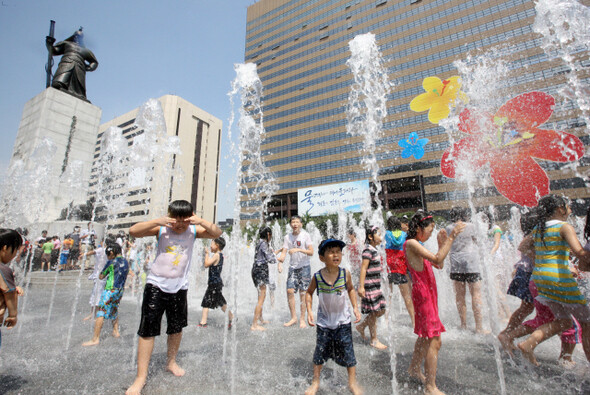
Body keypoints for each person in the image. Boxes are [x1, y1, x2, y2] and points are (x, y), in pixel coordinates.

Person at [125, 200, 222, 395]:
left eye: (184, 221)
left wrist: (199, 221)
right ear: (170, 217)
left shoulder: (193, 231)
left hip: (179, 287)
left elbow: (217, 233)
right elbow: (133, 231)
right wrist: (159, 221)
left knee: (176, 328)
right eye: (176, 220)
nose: (179, 225)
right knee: (148, 330)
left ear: (190, 219)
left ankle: (171, 362)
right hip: (156, 285)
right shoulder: (161, 230)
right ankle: (141, 377)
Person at [517, 195, 590, 366]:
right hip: (559, 278)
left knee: (563, 321)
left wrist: (540, 260)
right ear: (560, 209)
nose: (570, 210)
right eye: (568, 206)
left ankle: (528, 344)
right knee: (587, 323)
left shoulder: (539, 228)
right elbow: (580, 253)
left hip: (540, 277)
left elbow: (522, 247)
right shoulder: (565, 227)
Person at [404, 211, 465, 395]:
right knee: (435, 340)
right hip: (423, 295)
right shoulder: (411, 243)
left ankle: (414, 369)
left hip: (428, 294)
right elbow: (438, 259)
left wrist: (441, 244)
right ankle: (430, 387)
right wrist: (452, 237)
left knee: (425, 336)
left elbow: (439, 264)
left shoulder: (418, 244)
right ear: (418, 228)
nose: (431, 233)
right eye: (429, 230)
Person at [305, 238, 362, 395]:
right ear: (322, 257)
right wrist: (309, 311)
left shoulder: (345, 274)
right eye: (331, 252)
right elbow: (309, 293)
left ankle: (352, 382)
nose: (336, 255)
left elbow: (350, 289)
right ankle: (315, 382)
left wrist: (355, 308)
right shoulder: (318, 277)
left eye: (338, 252)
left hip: (343, 321)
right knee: (320, 352)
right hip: (324, 323)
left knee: (348, 351)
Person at [498, 210, 538, 351]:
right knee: (530, 308)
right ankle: (508, 334)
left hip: (526, 272)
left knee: (527, 308)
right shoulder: (533, 236)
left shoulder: (530, 235)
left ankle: (508, 333)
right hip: (529, 273)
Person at [446, 207, 485, 333]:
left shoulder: (449, 228)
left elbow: (449, 243)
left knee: (460, 296)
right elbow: (478, 241)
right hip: (471, 262)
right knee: (476, 294)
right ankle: (479, 327)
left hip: (456, 262)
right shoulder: (471, 226)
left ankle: (463, 325)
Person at [83, 243, 129, 346]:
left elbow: (101, 276)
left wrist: (101, 273)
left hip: (110, 290)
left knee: (101, 312)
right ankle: (116, 331)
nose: (107, 256)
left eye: (108, 254)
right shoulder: (126, 262)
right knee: (114, 309)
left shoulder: (111, 262)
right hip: (119, 290)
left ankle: (95, 339)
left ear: (112, 253)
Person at [278, 215, 313, 328]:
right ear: (290, 224)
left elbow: (311, 252)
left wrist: (298, 249)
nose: (295, 224)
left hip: (304, 267)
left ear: (301, 224)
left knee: (302, 293)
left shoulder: (305, 235)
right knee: (289, 291)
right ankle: (293, 317)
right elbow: (284, 251)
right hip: (293, 267)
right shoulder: (287, 237)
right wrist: (280, 262)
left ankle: (302, 319)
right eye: (293, 222)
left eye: (297, 222)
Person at [356, 225, 387, 350]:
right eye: (378, 234)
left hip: (376, 286)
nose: (380, 237)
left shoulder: (374, 249)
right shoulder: (368, 250)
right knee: (374, 313)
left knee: (381, 310)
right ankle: (374, 339)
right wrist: (361, 286)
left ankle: (362, 326)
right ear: (370, 236)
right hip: (369, 286)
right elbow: (363, 268)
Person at [385, 216, 415, 327]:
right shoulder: (404, 235)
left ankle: (386, 320)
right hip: (401, 268)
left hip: (388, 268)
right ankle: (414, 321)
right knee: (407, 297)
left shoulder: (386, 234)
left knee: (388, 296)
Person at [198, 237, 233, 329]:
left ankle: (203, 322)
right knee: (220, 302)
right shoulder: (220, 254)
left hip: (214, 283)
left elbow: (206, 264)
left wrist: (206, 254)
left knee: (206, 301)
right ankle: (231, 317)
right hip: (216, 283)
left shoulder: (217, 255)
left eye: (212, 244)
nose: (210, 246)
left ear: (217, 246)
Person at [0, 229, 24, 350]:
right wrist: (13, 315)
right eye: (14, 250)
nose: (14, 255)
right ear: (5, 248)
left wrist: (14, 287)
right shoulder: (3, 270)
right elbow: (9, 293)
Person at [251, 226, 279, 331]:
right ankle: (254, 324)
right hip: (260, 270)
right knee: (261, 297)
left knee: (260, 295)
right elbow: (270, 258)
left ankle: (260, 319)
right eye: (271, 235)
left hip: (256, 270)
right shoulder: (263, 243)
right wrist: (278, 258)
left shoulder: (259, 242)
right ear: (268, 234)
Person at [83, 239, 110, 321]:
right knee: (100, 295)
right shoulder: (109, 251)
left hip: (99, 276)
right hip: (105, 275)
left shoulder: (102, 249)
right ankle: (97, 313)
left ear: (103, 243)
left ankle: (94, 314)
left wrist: (83, 254)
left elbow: (92, 252)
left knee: (96, 295)